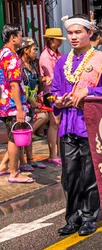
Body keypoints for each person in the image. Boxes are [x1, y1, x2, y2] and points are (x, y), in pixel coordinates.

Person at [52, 14, 102, 236]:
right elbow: (54, 91)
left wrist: (88, 91)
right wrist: (57, 100)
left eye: (77, 32)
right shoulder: (62, 62)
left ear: (90, 33)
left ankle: (90, 217)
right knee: (70, 175)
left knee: (90, 174)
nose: (72, 37)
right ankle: (72, 217)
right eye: (70, 33)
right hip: (68, 125)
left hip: (91, 125)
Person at [0, 25, 31, 183]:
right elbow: (13, 84)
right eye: (20, 35)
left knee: (13, 136)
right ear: (12, 38)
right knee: (15, 138)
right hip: (12, 104)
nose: (21, 38)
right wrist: (19, 108)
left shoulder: (2, 53)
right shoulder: (11, 57)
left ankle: (4, 166)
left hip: (4, 103)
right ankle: (14, 172)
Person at [19, 37, 49, 170]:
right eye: (34, 49)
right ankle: (22, 162)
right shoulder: (18, 67)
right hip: (21, 106)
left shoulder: (32, 66)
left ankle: (30, 159)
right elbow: (18, 88)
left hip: (31, 106)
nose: (36, 52)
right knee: (20, 135)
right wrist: (30, 101)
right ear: (25, 50)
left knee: (29, 132)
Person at [39, 28, 65, 166]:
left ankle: (59, 153)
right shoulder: (46, 56)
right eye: (58, 39)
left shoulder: (57, 54)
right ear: (51, 40)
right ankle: (53, 154)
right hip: (51, 93)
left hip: (58, 91)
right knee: (54, 123)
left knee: (58, 123)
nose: (60, 42)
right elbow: (53, 76)